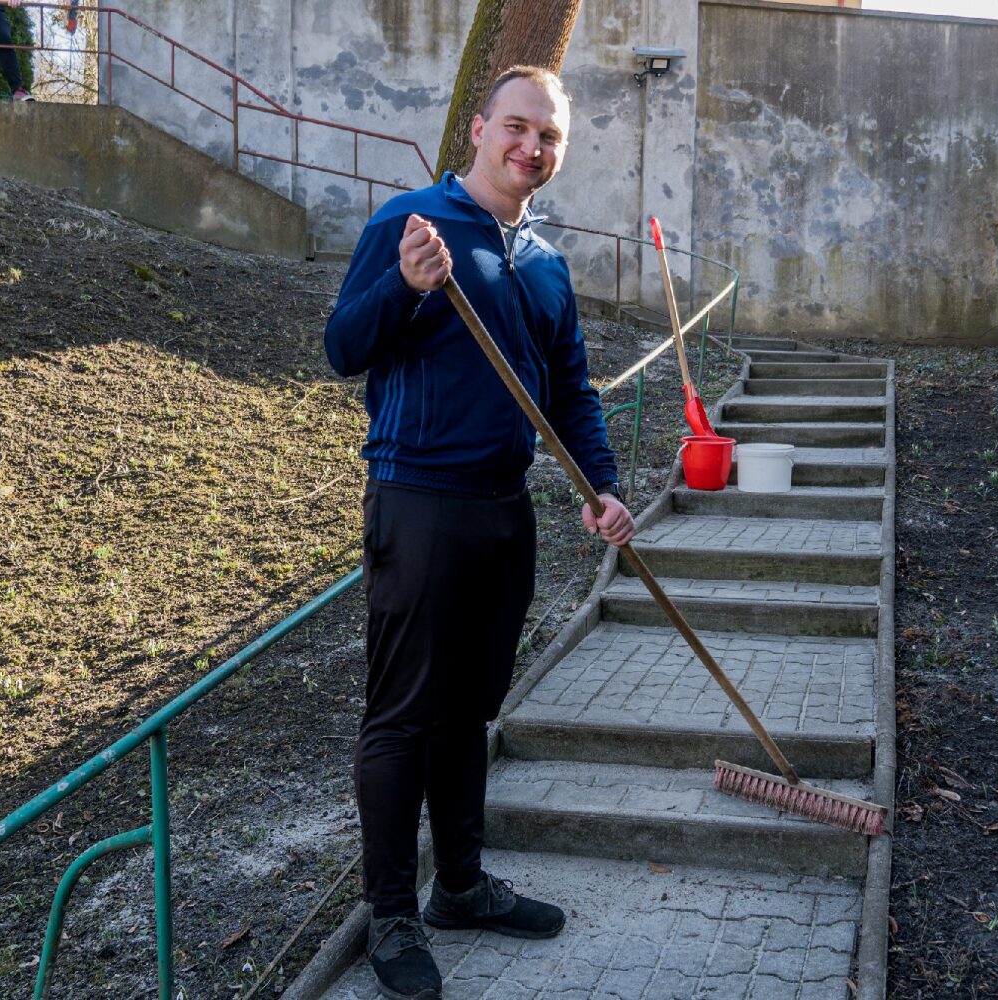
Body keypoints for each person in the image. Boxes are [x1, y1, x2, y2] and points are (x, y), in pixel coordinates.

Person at [324, 66, 635, 1000]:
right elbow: (345, 347)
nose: (531, 148)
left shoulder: (543, 259)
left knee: (470, 712)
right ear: (477, 128)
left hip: (506, 511)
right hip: (417, 503)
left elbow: (569, 391)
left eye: (549, 137)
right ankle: (391, 915)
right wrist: (409, 291)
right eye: (517, 127)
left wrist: (602, 487)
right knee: (404, 715)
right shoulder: (411, 225)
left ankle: (459, 885)